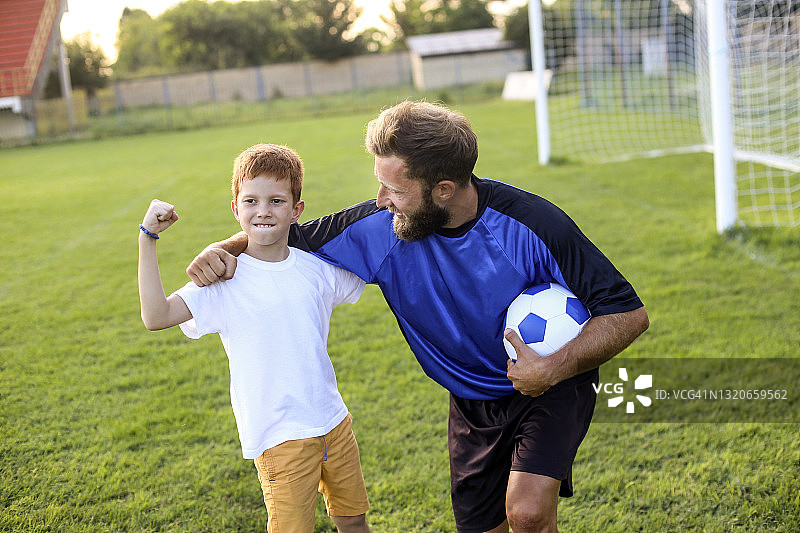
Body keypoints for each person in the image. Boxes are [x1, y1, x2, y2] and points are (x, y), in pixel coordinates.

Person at [187, 102, 649, 533]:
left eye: (395, 189)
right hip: (472, 400)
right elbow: (282, 235)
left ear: (443, 190)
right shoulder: (377, 226)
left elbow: (627, 313)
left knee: (526, 512)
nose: (381, 198)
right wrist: (221, 248)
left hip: (553, 380)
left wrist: (551, 367)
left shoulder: (533, 224)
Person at [137, 143, 372, 533]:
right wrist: (148, 238)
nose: (263, 210)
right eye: (251, 200)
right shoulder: (224, 281)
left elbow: (371, 263)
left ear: (296, 210)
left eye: (276, 200)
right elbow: (156, 315)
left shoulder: (317, 269)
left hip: (334, 422)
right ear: (235, 208)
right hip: (279, 436)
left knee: (353, 520)